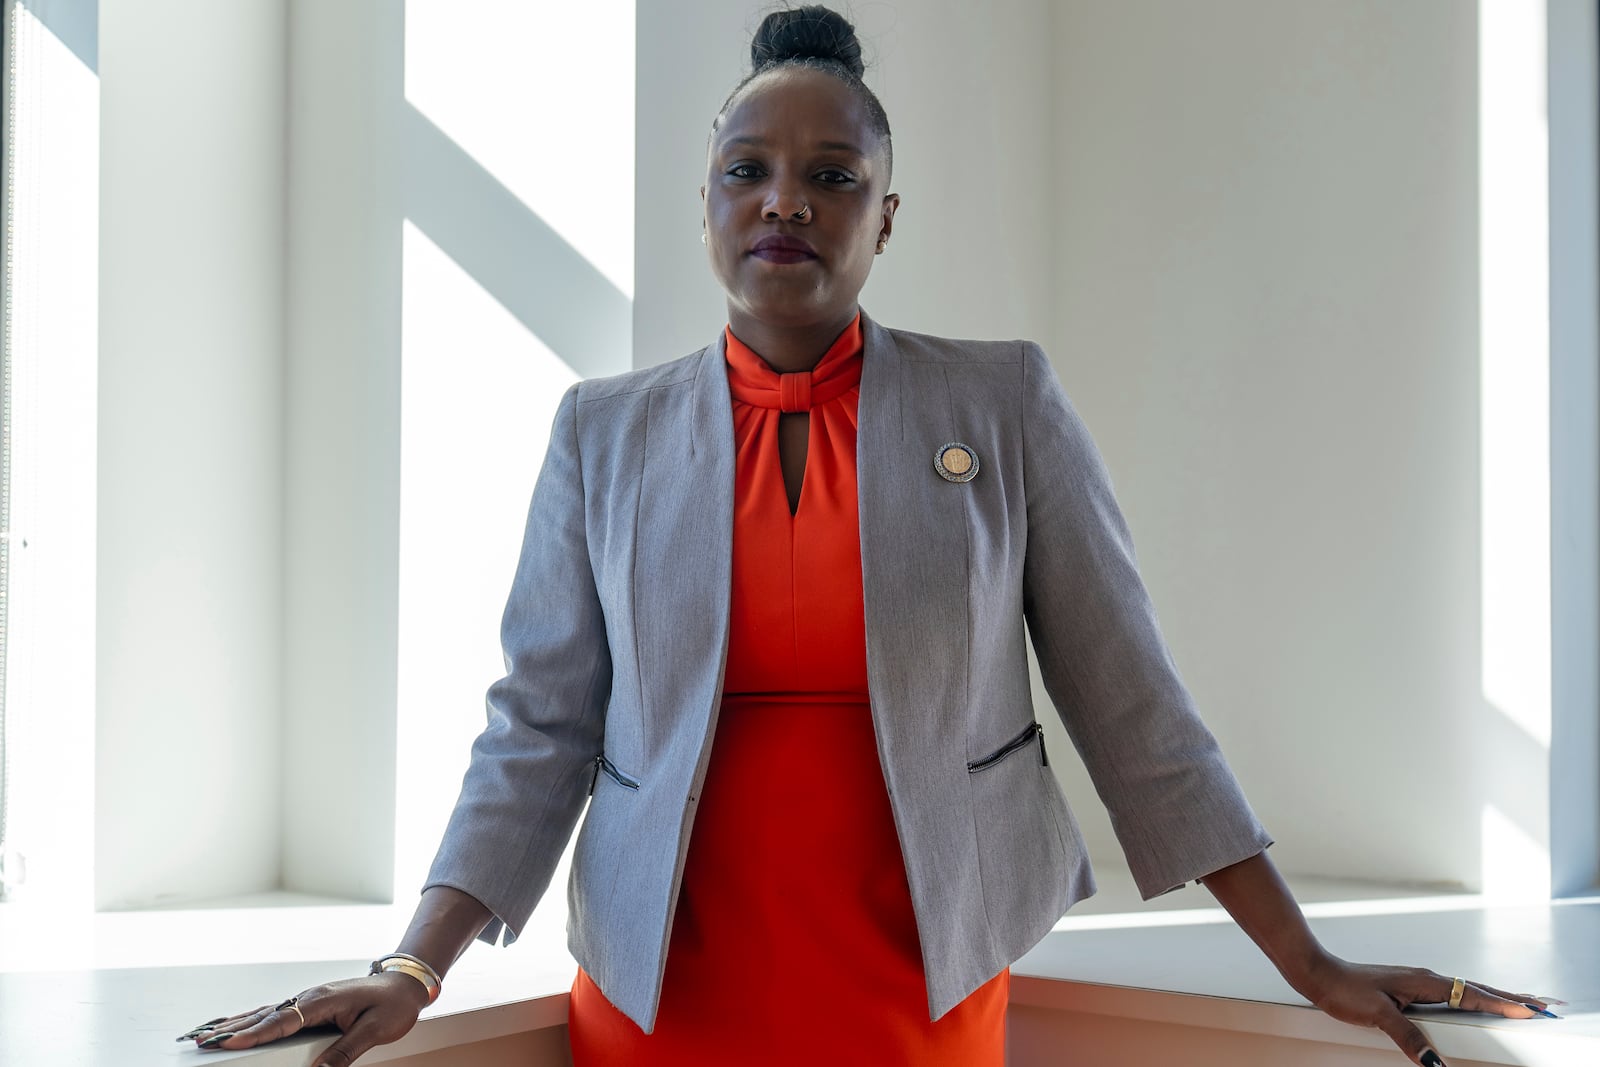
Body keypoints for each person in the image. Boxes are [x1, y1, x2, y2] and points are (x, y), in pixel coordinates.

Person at [180, 7, 1554, 1066]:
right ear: (709, 206)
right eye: (750, 171)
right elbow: (535, 728)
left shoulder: (998, 402)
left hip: (919, 970)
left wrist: (1310, 965)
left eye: (831, 175)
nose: (788, 199)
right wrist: (413, 969)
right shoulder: (602, 434)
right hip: (669, 981)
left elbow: (1135, 707)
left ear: (882, 217)